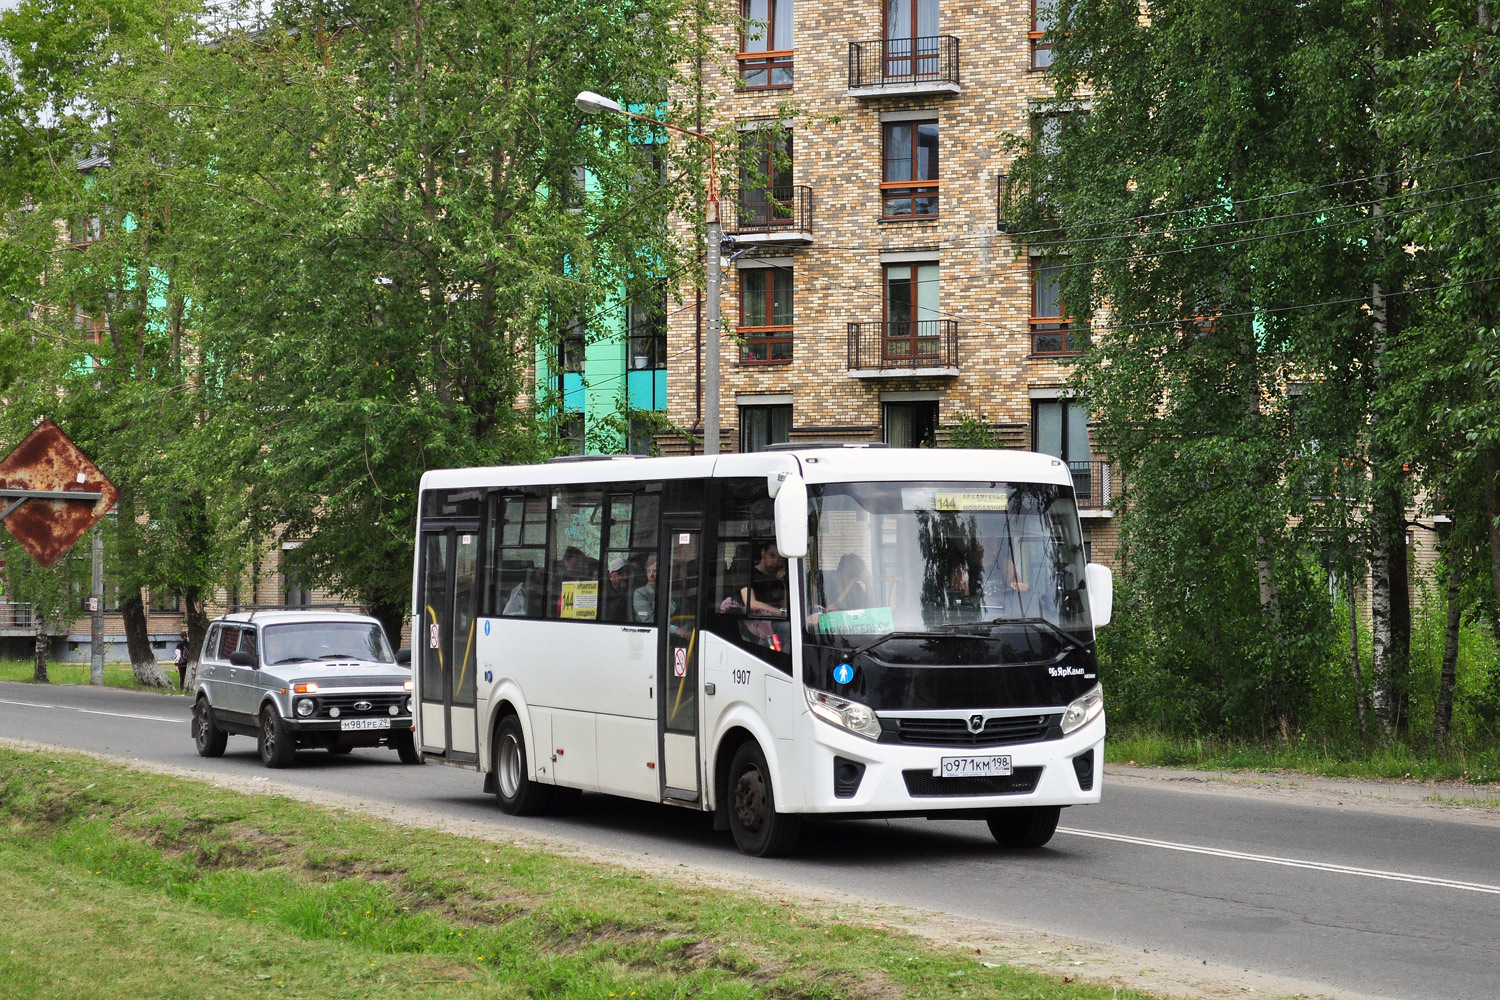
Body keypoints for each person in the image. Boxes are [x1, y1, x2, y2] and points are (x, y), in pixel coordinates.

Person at [741, 540, 786, 617]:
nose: (776, 561)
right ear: (763, 553)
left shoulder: (778, 580)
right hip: (758, 620)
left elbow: (785, 605)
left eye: (780, 558)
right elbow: (751, 603)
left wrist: (785, 582)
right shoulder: (748, 573)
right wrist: (781, 613)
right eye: (772, 555)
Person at [603, 556, 633, 622]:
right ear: (610, 576)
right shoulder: (603, 596)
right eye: (620, 573)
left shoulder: (633, 593)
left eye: (628, 573)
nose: (625, 577)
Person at [632, 553, 659, 622]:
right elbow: (648, 620)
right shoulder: (640, 593)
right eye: (648, 571)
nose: (651, 575)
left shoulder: (669, 589)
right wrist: (674, 629)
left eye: (655, 571)